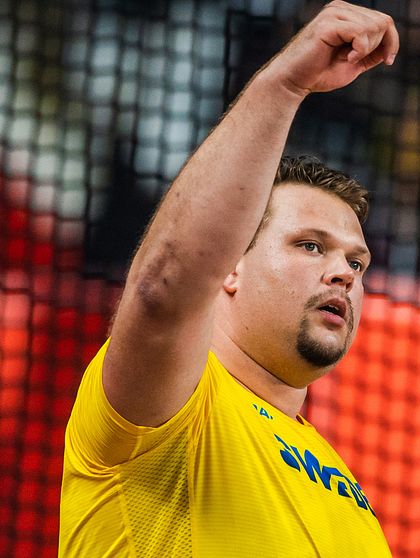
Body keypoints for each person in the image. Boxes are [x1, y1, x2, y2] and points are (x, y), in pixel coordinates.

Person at [59, 2, 399, 555]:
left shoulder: (347, 488)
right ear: (230, 267)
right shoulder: (170, 409)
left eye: (356, 263)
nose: (343, 272)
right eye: (310, 245)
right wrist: (286, 85)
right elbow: (163, 288)